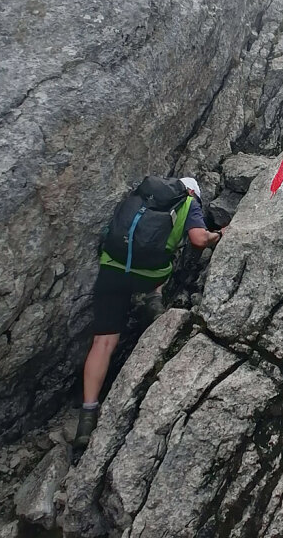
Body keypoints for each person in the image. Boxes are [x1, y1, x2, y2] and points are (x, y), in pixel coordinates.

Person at [73, 176, 223, 450]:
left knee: (103, 342)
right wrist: (219, 234)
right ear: (193, 192)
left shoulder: (141, 196)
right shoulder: (188, 203)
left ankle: (87, 414)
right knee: (166, 262)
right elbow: (199, 240)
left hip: (112, 270)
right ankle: (152, 300)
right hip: (148, 274)